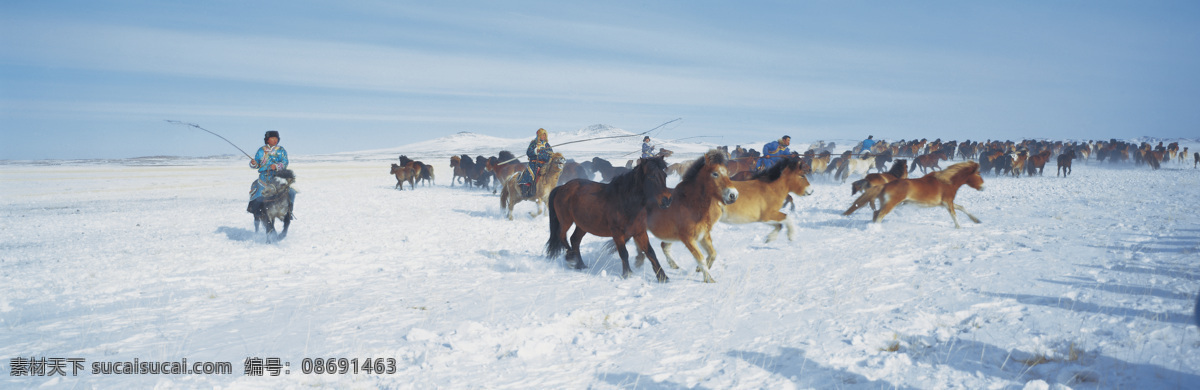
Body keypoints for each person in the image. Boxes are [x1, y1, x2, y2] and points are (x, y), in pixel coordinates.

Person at [247, 130, 293, 216]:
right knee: (258, 192)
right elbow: (257, 164)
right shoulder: (261, 150)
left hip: (277, 176)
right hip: (264, 177)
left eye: (276, 138)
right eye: (272, 138)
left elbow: (285, 162)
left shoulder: (281, 150)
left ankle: (288, 211)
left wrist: (276, 166)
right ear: (267, 140)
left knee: (289, 192)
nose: (275, 140)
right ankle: (254, 209)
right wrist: (254, 163)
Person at [520, 128, 554, 196]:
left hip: (545, 164)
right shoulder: (533, 143)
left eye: (544, 135)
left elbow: (551, 154)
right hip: (534, 164)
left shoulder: (547, 145)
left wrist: (551, 155)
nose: (543, 137)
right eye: (542, 135)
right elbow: (528, 152)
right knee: (531, 175)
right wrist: (535, 151)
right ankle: (526, 191)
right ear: (539, 136)